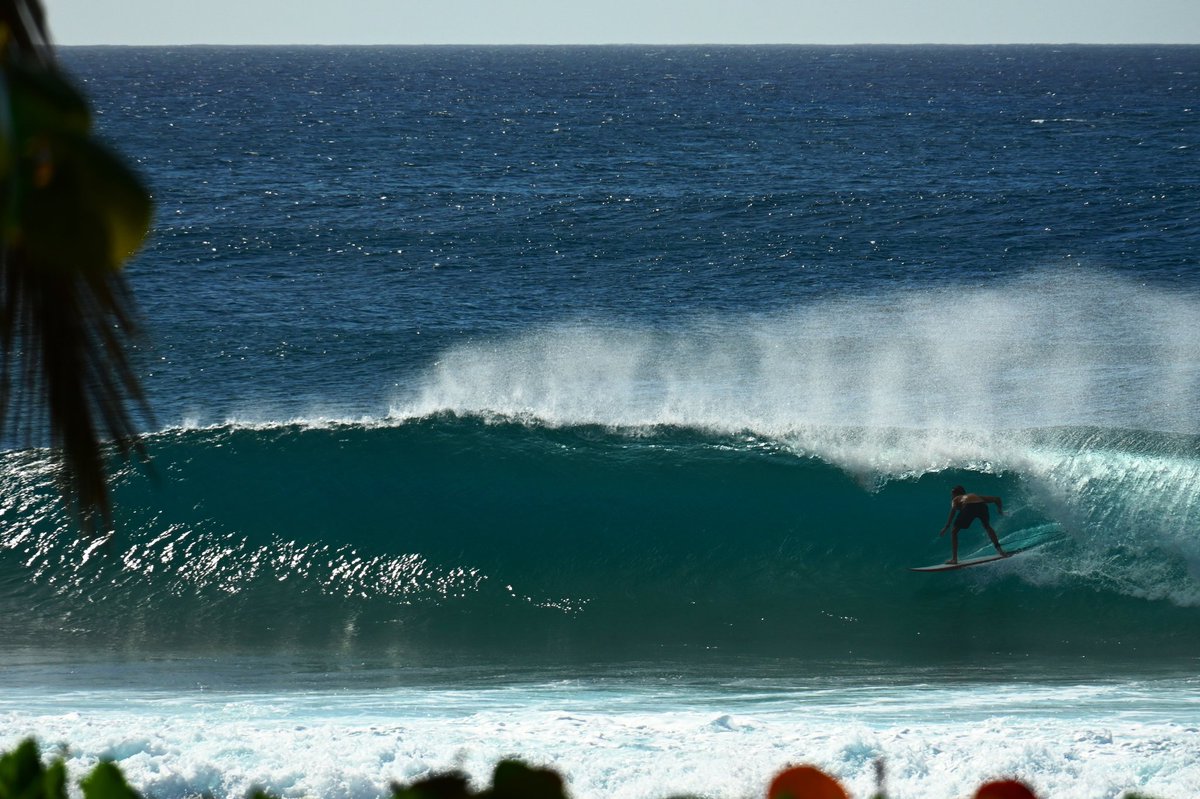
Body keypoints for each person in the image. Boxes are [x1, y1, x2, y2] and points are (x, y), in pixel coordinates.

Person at [939, 486, 1007, 564]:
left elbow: (953, 511)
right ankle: (1000, 551)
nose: (951, 497)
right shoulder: (975, 496)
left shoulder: (956, 499)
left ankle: (954, 559)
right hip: (982, 506)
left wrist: (946, 526)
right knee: (987, 527)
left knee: (954, 532)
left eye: (952, 495)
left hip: (969, 508)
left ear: (955, 494)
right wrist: (1000, 510)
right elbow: (997, 499)